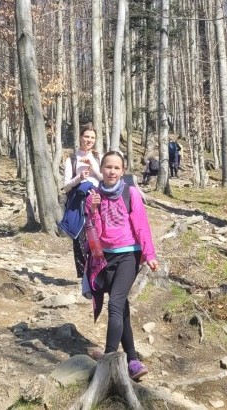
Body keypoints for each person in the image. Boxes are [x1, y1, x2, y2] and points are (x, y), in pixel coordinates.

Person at [85, 151, 159, 380]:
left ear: (123, 171)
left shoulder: (131, 192)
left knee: (115, 304)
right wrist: (93, 209)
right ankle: (133, 360)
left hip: (129, 254)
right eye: (108, 167)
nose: (112, 171)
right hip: (105, 257)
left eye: (117, 168)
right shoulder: (94, 195)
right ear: (101, 169)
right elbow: (94, 230)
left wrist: (149, 254)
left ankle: (108, 359)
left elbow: (141, 225)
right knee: (121, 305)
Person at [62, 123, 102, 277]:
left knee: (97, 234)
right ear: (80, 137)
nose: (89, 140)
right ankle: (84, 275)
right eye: (86, 136)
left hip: (97, 200)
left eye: (92, 137)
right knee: (79, 237)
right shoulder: (71, 159)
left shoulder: (99, 157)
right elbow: (66, 187)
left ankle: (98, 271)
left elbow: (104, 179)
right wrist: (79, 177)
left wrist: (93, 166)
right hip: (78, 202)